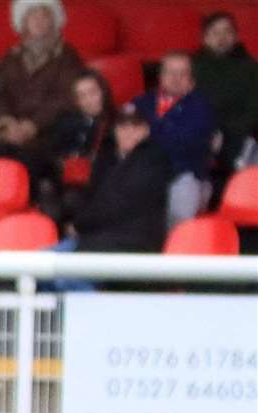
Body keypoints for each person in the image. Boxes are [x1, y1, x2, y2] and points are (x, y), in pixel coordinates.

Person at [51, 105, 171, 262]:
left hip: (133, 244)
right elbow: (91, 197)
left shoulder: (153, 160)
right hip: (96, 239)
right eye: (122, 126)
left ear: (145, 131)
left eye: (135, 126)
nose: (127, 132)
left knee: (65, 277)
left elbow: (118, 204)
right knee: (36, 265)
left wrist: (79, 225)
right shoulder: (107, 159)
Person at [0, 1, 84, 187]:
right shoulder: (12, 55)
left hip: (48, 132)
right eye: (33, 15)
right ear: (24, 22)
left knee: (27, 161)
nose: (39, 20)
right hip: (12, 130)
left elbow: (65, 99)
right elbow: (0, 94)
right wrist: (6, 123)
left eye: (45, 15)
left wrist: (33, 125)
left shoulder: (68, 56)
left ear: (54, 21)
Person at [129, 52, 218, 229]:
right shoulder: (140, 103)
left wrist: (146, 133)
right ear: (160, 76)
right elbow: (123, 136)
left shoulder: (202, 106)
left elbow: (185, 144)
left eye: (182, 73)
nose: (176, 78)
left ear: (191, 80)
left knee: (182, 194)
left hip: (183, 175)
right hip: (143, 173)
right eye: (170, 72)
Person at [191, 12, 258, 174]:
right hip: (200, 134)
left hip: (240, 135)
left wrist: (227, 133)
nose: (221, 37)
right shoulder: (191, 66)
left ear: (236, 36)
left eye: (227, 32)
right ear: (205, 38)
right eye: (215, 33)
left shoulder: (251, 68)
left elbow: (254, 110)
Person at [45, 69, 114, 216]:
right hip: (66, 178)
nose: (88, 100)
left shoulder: (116, 122)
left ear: (103, 92)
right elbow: (51, 150)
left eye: (93, 92)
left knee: (72, 199)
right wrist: (61, 162)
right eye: (82, 96)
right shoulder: (67, 121)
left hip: (97, 183)